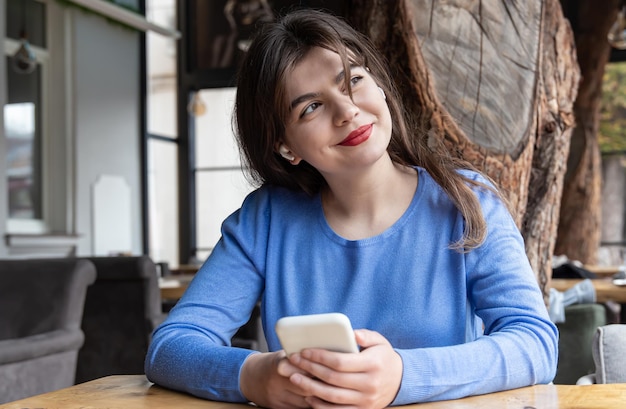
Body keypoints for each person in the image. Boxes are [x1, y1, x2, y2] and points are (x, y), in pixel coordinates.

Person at [145, 8, 558, 408]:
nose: (347, 111)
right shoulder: (265, 220)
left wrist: (402, 375)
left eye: (353, 81)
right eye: (311, 107)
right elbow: (171, 347)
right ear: (285, 145)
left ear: (378, 85)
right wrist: (254, 377)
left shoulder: (466, 202)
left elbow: (535, 344)